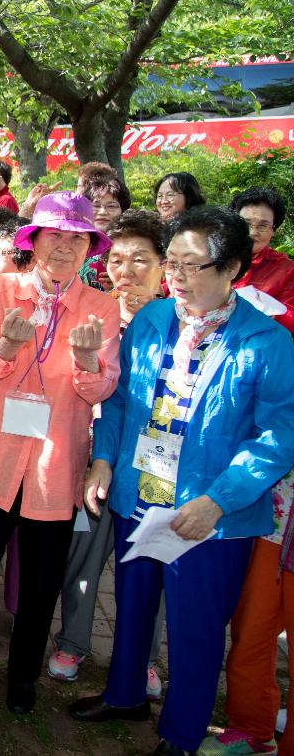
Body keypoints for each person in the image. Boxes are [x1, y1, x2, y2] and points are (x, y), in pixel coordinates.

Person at [70, 206, 294, 756]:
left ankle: (183, 731)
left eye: (194, 266)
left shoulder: (267, 342)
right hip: (140, 493)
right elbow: (121, 401)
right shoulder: (151, 320)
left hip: (210, 516)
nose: (178, 277)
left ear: (233, 267)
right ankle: (125, 693)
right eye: (172, 263)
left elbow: (278, 437)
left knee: (195, 628)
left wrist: (219, 501)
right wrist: (103, 460)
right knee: (132, 600)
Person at [0, 191, 120, 714]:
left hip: (56, 460)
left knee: (42, 577)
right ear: (36, 240)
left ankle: (24, 673)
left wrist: (90, 359)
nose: (65, 249)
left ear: (89, 248)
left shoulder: (101, 307)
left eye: (77, 240)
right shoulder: (3, 287)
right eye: (55, 237)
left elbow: (100, 390)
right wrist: (4, 346)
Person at [49, 209, 166, 691]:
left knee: (148, 559)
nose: (127, 270)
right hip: (93, 452)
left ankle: (143, 657)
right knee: (83, 553)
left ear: (165, 267)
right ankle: (73, 642)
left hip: (156, 463)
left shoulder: (177, 321)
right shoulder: (96, 309)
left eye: (141, 259)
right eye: (117, 260)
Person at [231, 187, 294, 334]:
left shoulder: (286, 270)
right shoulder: (212, 257)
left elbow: (290, 318)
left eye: (263, 226)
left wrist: (263, 310)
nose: (253, 233)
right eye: (246, 224)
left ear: (274, 230)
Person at [75, 162, 130, 290]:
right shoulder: (73, 241)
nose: (103, 212)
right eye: (96, 205)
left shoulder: (131, 245)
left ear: (122, 210)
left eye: (111, 206)